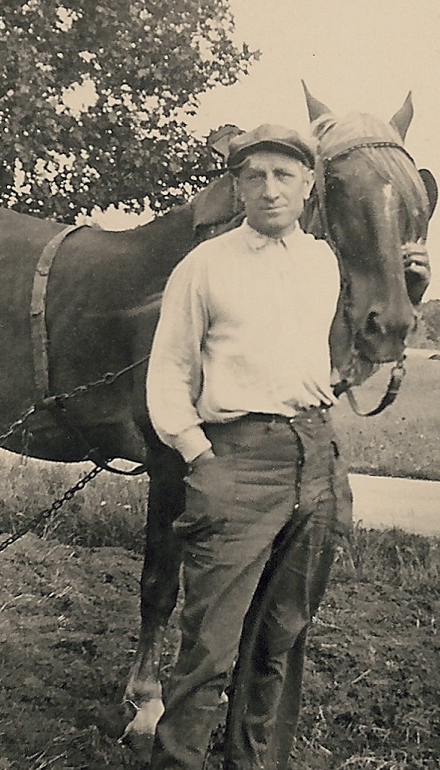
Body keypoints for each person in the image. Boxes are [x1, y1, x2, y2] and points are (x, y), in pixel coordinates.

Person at [145, 123, 354, 770]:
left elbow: (341, 359)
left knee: (280, 639)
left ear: (308, 185)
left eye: (284, 175)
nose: (269, 189)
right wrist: (200, 459)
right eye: (254, 175)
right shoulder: (203, 266)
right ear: (236, 185)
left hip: (315, 458)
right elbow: (167, 376)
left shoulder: (323, 263)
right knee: (209, 649)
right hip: (235, 461)